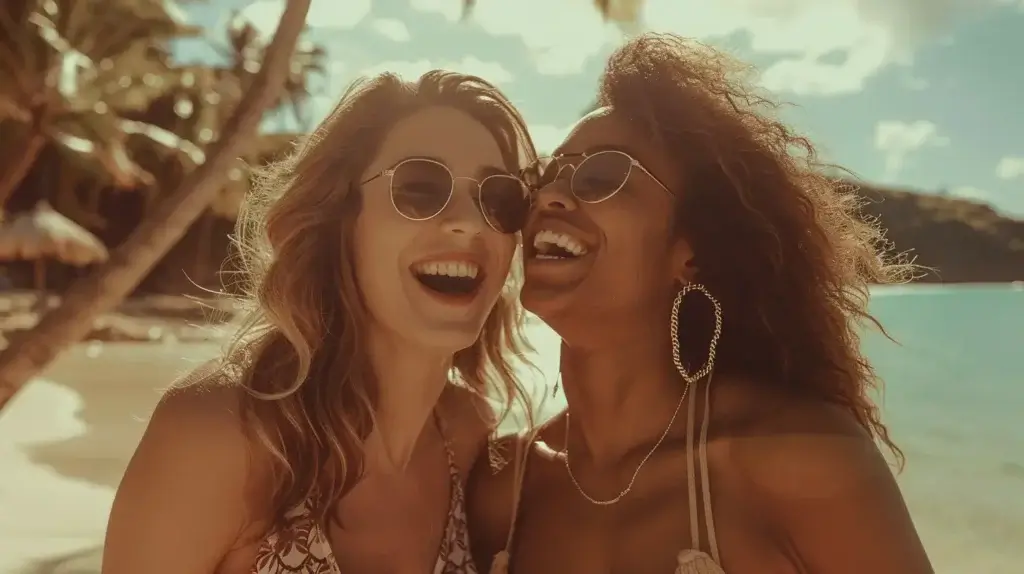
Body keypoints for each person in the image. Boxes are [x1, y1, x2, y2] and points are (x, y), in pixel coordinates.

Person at [468, 33, 934, 574]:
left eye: (602, 176)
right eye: (547, 174)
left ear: (691, 255)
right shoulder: (508, 486)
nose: (550, 195)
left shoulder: (800, 461)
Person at [103, 70, 537, 574]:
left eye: (499, 198)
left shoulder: (468, 439)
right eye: (420, 187)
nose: (469, 220)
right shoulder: (222, 436)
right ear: (339, 220)